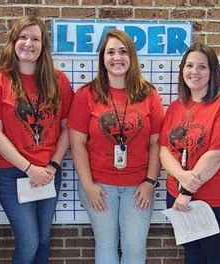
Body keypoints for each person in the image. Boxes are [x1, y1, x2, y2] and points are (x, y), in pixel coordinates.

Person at [0, 16, 73, 264]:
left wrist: (52, 166)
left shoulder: (58, 81)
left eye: (35, 38)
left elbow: (68, 129)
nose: (28, 43)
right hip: (12, 173)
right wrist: (29, 168)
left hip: (49, 172)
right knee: (29, 241)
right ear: (13, 42)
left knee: (43, 239)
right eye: (23, 37)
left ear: (43, 45)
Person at [67, 29, 165, 264]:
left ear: (131, 57)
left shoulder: (149, 94)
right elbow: (77, 143)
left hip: (138, 188)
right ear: (103, 58)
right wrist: (88, 185)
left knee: (134, 248)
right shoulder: (86, 95)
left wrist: (150, 182)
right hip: (99, 187)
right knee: (106, 245)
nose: (116, 57)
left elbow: (156, 143)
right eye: (110, 52)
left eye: (122, 51)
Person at [159, 43, 220, 264]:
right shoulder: (177, 106)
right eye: (189, 66)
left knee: (217, 258)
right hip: (179, 196)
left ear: (212, 72)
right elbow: (164, 150)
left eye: (202, 67)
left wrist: (186, 189)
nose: (194, 72)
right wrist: (181, 177)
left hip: (217, 200)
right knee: (193, 256)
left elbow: (219, 153)